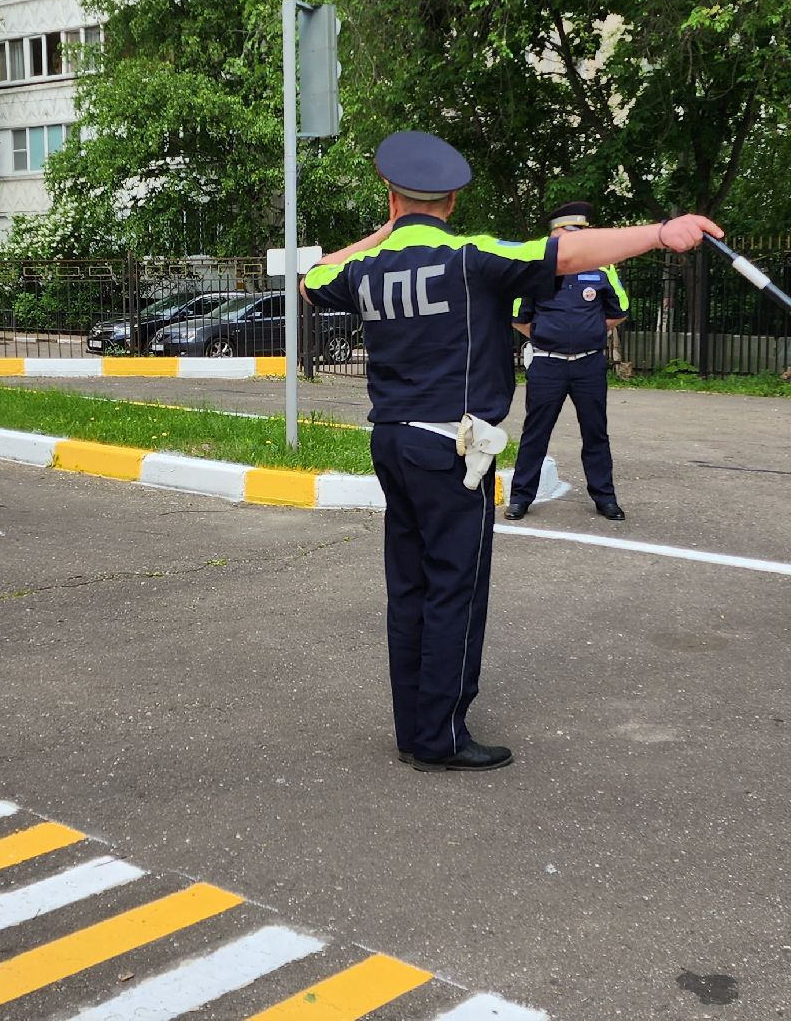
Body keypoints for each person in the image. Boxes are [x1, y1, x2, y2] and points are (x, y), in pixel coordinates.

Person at [301, 131, 721, 771]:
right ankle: (441, 739)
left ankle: (415, 729)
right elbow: (567, 250)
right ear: (452, 201)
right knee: (455, 590)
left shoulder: (366, 269)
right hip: (452, 448)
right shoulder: (472, 255)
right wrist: (660, 233)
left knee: (409, 589)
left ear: (392, 198)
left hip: (391, 440)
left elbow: (311, 278)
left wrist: (385, 232)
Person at [506, 200, 629, 521]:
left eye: (579, 232)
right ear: (555, 234)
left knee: (595, 432)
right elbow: (519, 317)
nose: (574, 238)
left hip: (589, 364)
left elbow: (619, 311)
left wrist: (588, 332)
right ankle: (520, 498)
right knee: (536, 432)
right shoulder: (535, 268)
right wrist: (547, 336)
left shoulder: (602, 267)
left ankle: (605, 498)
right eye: (568, 232)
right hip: (548, 364)